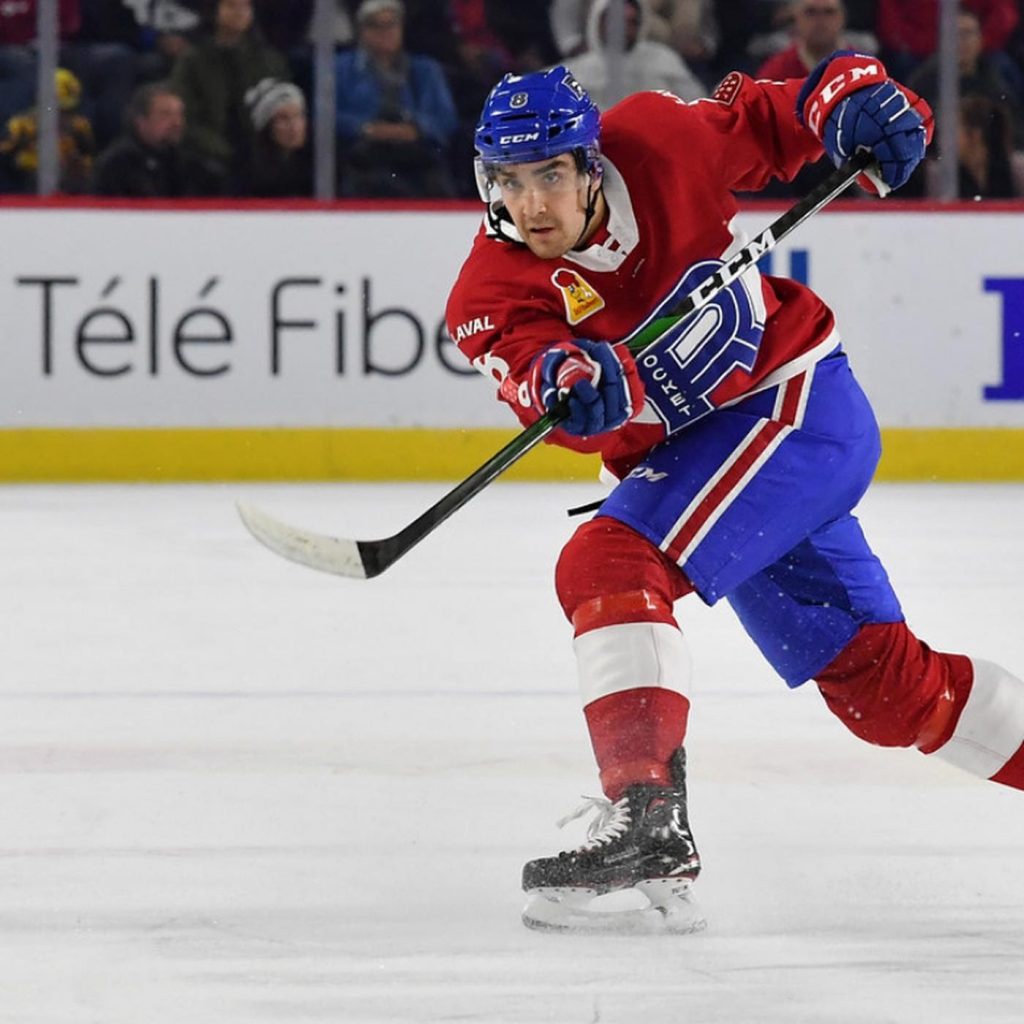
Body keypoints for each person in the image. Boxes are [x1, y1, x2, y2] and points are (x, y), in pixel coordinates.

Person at [444, 59, 1024, 933]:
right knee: (889, 696)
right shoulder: (489, 290)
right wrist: (567, 384)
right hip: (704, 466)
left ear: (591, 164)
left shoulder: (659, 139)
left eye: (551, 175)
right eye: (510, 180)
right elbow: (534, 372)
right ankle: (653, 826)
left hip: (794, 406)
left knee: (607, 560)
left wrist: (862, 101)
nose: (531, 205)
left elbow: (782, 116)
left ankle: (647, 817)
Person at [334, 0, 458, 198]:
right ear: (361, 30)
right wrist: (366, 128)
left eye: (391, 24)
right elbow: (328, 115)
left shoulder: (425, 70)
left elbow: (445, 118)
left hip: (418, 162)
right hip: (363, 161)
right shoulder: (340, 69)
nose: (384, 32)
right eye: (375, 25)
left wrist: (415, 129)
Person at [170, 0, 288, 192]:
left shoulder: (269, 60)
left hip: (259, 153)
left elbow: (282, 106)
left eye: (245, 6)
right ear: (216, 11)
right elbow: (185, 114)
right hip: (206, 153)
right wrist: (220, 150)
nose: (239, 12)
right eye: (231, 5)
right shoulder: (193, 60)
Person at [90, 81, 226, 197]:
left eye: (180, 114)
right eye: (165, 114)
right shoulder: (116, 166)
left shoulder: (192, 165)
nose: (177, 122)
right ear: (141, 121)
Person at [566, 0, 706, 109]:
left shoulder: (664, 60)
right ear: (597, 22)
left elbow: (696, 105)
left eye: (631, 22)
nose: (623, 28)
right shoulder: (574, 73)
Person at [0, 67, 94, 194]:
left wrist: (79, 166)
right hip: (22, 190)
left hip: (68, 190)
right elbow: (4, 162)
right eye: (58, 110)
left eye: (68, 110)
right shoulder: (20, 127)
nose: (64, 117)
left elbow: (92, 161)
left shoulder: (79, 128)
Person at [242, 77, 313, 197]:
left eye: (298, 116)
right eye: (283, 118)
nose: (294, 127)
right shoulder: (247, 171)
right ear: (267, 126)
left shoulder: (321, 164)